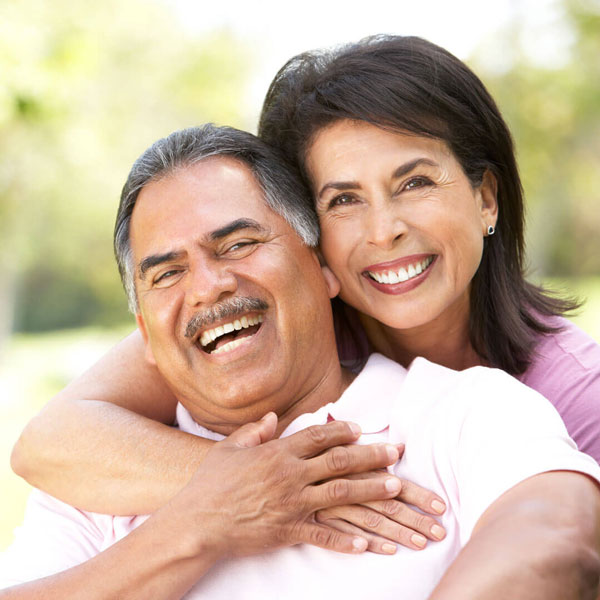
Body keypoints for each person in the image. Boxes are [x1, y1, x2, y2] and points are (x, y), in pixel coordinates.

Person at [11, 36, 600, 549]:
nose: (384, 229)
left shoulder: (571, 392)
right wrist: (273, 482)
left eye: (414, 182)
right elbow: (50, 443)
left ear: (486, 198)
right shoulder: (278, 321)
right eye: (343, 199)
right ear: (306, 236)